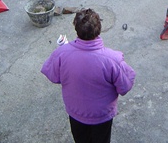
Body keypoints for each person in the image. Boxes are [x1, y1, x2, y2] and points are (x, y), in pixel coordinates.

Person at [41, 8, 136, 143]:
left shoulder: (62, 53)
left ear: (76, 29)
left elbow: (53, 76)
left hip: (76, 112)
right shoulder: (112, 59)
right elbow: (125, 86)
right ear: (99, 29)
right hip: (101, 115)